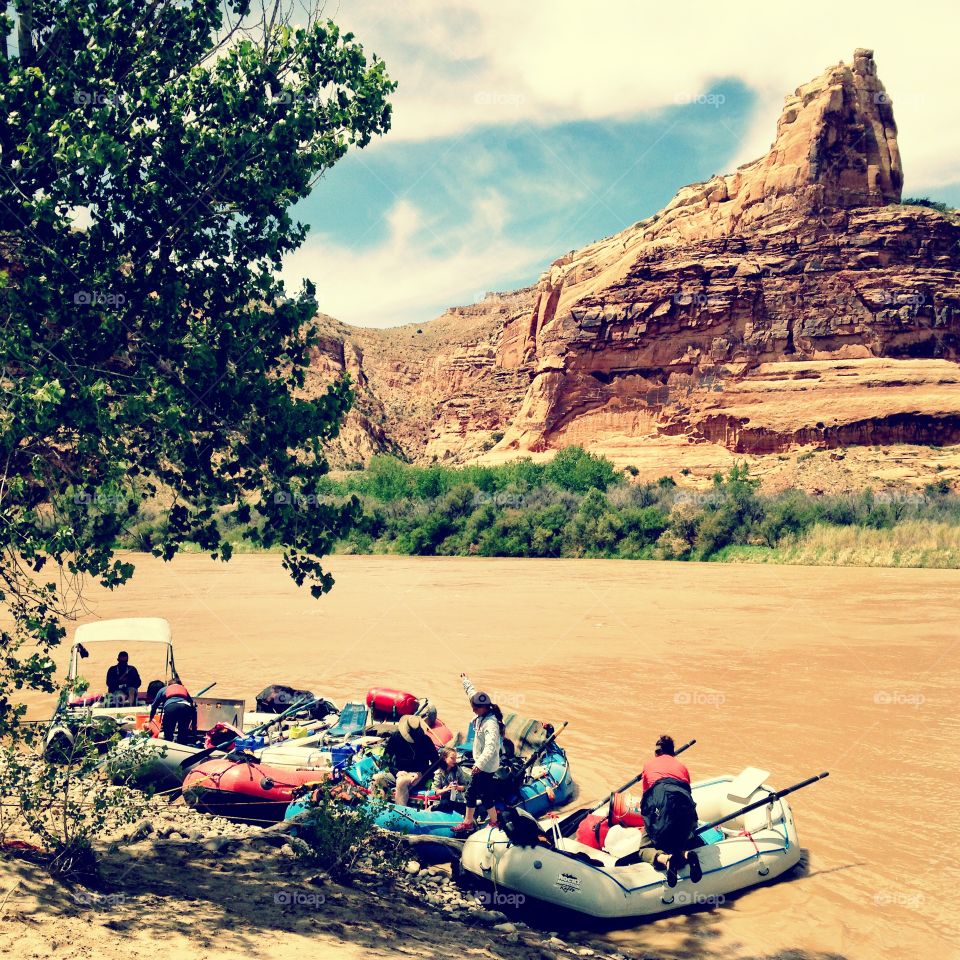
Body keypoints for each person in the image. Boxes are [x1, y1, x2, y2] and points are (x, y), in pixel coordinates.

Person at [633, 734, 702, 886]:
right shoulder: (682, 767)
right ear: (673, 752)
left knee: (644, 849)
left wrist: (648, 825)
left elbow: (647, 801)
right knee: (677, 843)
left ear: (656, 753)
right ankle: (686, 854)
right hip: (686, 814)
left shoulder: (648, 765)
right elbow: (687, 793)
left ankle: (665, 859)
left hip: (663, 812)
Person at [451, 673, 504, 835]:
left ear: (484, 708)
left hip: (486, 765)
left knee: (471, 792)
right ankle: (494, 820)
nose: (473, 710)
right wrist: (465, 680)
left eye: (475, 708)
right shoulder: (481, 712)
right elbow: (471, 692)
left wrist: (479, 765)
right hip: (484, 762)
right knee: (485, 793)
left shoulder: (491, 724)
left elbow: (490, 747)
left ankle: (468, 822)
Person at [381, 715, 440, 806]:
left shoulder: (425, 740)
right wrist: (396, 772)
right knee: (377, 778)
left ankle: (400, 813)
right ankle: (378, 809)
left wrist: (421, 774)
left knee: (401, 782)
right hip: (399, 772)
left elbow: (436, 762)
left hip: (419, 775)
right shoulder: (395, 737)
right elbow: (385, 761)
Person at [148, 678, 197, 744]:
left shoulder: (163, 689)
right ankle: (182, 749)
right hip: (185, 708)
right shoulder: (183, 689)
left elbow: (154, 706)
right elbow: (192, 705)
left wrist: (150, 718)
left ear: (169, 685)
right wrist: (194, 728)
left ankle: (168, 748)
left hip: (171, 708)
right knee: (183, 735)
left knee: (168, 735)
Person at [432, 747, 470, 814]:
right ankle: (433, 808)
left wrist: (458, 787)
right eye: (452, 758)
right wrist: (447, 789)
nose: (454, 761)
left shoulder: (458, 770)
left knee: (466, 807)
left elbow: (465, 786)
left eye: (455, 758)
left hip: (458, 799)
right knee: (445, 804)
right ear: (444, 758)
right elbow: (436, 791)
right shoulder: (439, 772)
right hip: (445, 799)